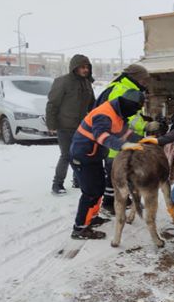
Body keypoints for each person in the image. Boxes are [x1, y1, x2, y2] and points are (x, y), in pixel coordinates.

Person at [69, 89, 145, 240]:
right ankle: (80, 229)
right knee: (90, 192)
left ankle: (92, 218)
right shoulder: (104, 113)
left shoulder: (118, 114)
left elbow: (124, 133)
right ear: (128, 105)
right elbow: (102, 136)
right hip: (82, 156)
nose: (134, 113)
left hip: (94, 155)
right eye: (134, 109)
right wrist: (122, 146)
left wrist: (142, 140)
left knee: (98, 188)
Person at [94, 64, 160, 215]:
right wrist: (146, 126)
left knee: (121, 172)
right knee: (114, 173)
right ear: (136, 78)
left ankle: (121, 200)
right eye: (144, 79)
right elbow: (127, 117)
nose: (146, 82)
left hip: (119, 138)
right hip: (114, 141)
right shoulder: (122, 90)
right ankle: (110, 203)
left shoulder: (125, 87)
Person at [46, 54, 96, 195]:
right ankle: (57, 184)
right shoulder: (63, 82)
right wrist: (51, 124)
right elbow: (52, 104)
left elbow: (92, 104)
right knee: (66, 155)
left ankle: (77, 180)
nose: (85, 70)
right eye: (82, 67)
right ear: (75, 68)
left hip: (82, 127)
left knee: (80, 155)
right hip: (65, 126)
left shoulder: (87, 83)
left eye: (87, 67)